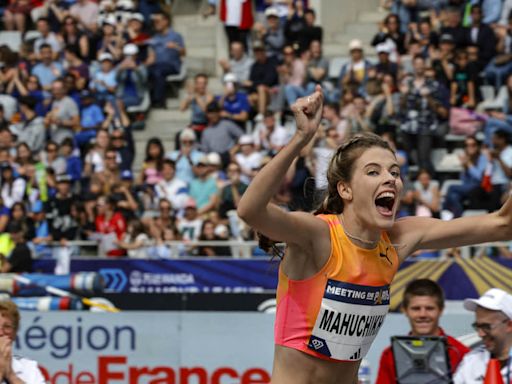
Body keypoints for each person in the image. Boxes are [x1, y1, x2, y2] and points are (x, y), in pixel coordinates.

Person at [237, 86, 512, 383]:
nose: (389, 179)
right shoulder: (319, 236)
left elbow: (502, 224)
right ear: (345, 189)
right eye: (373, 172)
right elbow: (251, 210)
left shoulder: (398, 239)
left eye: (394, 172)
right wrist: (301, 138)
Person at [375, 279, 469, 383]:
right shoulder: (390, 355)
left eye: (429, 308)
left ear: (441, 310)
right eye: (416, 308)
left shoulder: (462, 354)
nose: (422, 315)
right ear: (405, 310)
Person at [454, 288, 512, 383]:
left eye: (486, 326)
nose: (480, 334)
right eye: (477, 326)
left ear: (509, 325)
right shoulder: (471, 361)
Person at [0, 300, 46, 382]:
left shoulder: (29, 367)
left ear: (14, 333)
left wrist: (11, 375)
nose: (1, 332)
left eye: (7, 326)